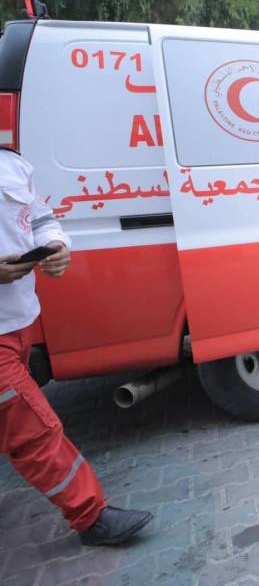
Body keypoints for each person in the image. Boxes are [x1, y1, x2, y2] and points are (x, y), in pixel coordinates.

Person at [1, 148, 153, 546]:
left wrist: (54, 246)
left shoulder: (12, 163)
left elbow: (39, 217)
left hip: (19, 320)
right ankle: (91, 516)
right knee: (35, 431)